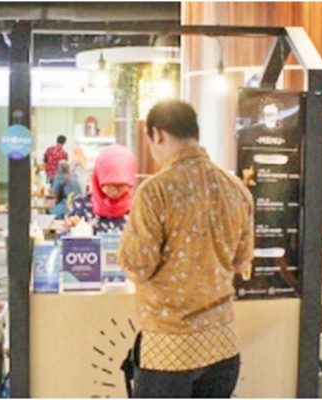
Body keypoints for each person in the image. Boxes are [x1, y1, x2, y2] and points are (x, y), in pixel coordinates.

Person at [118, 99, 254, 398]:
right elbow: (240, 262)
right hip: (222, 346)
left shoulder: (155, 191)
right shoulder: (236, 188)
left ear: (158, 134)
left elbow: (137, 269)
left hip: (169, 350)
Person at [66, 144, 137, 234]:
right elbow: (64, 238)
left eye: (121, 185)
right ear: (98, 178)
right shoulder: (81, 206)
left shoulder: (138, 208)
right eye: (110, 184)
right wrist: (73, 228)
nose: (115, 190)